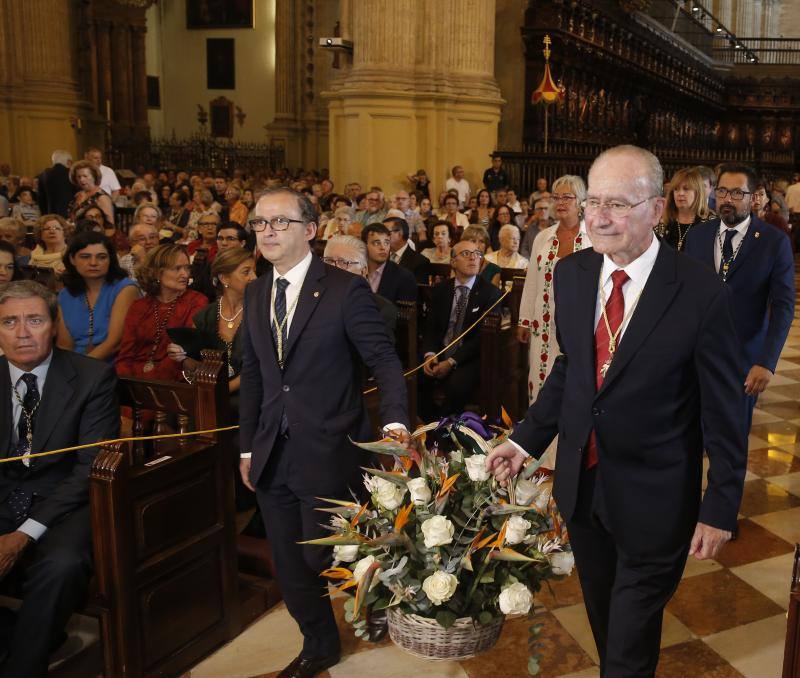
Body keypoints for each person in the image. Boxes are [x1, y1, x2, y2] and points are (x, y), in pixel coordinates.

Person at [486, 145, 747, 677]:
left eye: (619, 204)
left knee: (628, 645)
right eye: (595, 201)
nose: (601, 217)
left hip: (656, 498)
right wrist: (524, 440)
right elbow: (572, 370)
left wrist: (720, 503)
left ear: (656, 209)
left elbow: (723, 409)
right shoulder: (574, 273)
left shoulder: (698, 291)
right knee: (608, 627)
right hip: (583, 489)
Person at [238, 188, 409, 677]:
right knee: (290, 566)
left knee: (330, 555)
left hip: (332, 445)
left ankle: (373, 600)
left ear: (310, 231)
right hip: (273, 449)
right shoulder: (254, 293)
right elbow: (254, 376)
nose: (268, 231)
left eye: (280, 222)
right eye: (260, 223)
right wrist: (248, 446)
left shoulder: (342, 290)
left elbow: (383, 361)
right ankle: (319, 645)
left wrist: (394, 424)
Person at [0, 280, 119, 677]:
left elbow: (89, 467)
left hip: (67, 501)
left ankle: (23, 666)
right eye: (10, 322)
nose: (22, 333)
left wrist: (24, 534)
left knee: (62, 564)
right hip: (4, 495)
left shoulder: (92, 377)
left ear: (54, 324)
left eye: (34, 320)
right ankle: (17, 635)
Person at [684, 163, 795, 433]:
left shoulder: (773, 241)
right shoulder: (698, 236)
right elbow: (684, 296)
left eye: (736, 193)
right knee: (687, 442)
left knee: (729, 445)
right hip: (695, 359)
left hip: (743, 362)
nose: (727, 200)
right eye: (722, 191)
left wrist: (766, 362)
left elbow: (782, 306)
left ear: (753, 196)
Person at [421, 239, 502, 420]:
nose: (473, 258)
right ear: (453, 262)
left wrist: (451, 362)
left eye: (477, 254)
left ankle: (442, 431)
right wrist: (430, 355)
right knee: (415, 380)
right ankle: (430, 426)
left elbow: (480, 339)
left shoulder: (491, 293)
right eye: (466, 254)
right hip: (441, 352)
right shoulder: (441, 290)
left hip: (469, 357)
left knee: (457, 385)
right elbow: (431, 328)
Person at [167, 247, 256, 411]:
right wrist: (182, 356)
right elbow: (196, 366)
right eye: (246, 272)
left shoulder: (262, 313)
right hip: (212, 396)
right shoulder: (204, 317)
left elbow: (260, 367)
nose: (254, 277)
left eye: (253, 271)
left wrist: (221, 392)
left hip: (251, 397)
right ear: (224, 278)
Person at [115, 244, 208, 381]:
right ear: (157, 273)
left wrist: (149, 381)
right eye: (177, 269)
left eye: (187, 268)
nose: (185, 274)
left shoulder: (197, 302)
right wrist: (126, 382)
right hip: (133, 381)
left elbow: (183, 352)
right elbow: (125, 354)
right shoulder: (140, 306)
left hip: (171, 382)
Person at [56, 231, 139, 360]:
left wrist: (80, 371)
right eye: (85, 257)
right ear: (72, 259)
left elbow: (114, 343)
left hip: (114, 367)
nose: (93, 263)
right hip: (74, 367)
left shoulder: (125, 289)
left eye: (101, 257)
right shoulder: (65, 295)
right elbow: (65, 346)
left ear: (110, 259)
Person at [323, 235, 398, 343]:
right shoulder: (308, 300)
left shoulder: (380, 310)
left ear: (363, 271)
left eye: (344, 263)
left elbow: (376, 356)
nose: (334, 268)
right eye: (329, 261)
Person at [362, 223, 417, 304]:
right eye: (377, 243)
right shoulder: (356, 270)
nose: (383, 248)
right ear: (364, 245)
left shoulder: (404, 277)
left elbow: (404, 314)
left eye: (386, 243)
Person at [660, 167, 712, 252]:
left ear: (698, 192)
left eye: (686, 189)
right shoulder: (663, 223)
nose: (680, 193)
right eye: (676, 189)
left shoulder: (711, 223)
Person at [66, 160, 114, 226]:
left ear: (94, 177)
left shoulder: (102, 197)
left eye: (85, 176)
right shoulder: (78, 195)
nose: (81, 179)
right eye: (78, 177)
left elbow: (110, 226)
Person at [384, 216, 430, 283]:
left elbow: (416, 290)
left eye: (385, 233)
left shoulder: (420, 262)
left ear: (400, 234)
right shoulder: (380, 256)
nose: (381, 237)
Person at [36, 150, 75, 218]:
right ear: (69, 162)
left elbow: (41, 199)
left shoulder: (43, 175)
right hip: (70, 215)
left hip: (50, 215)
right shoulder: (72, 174)